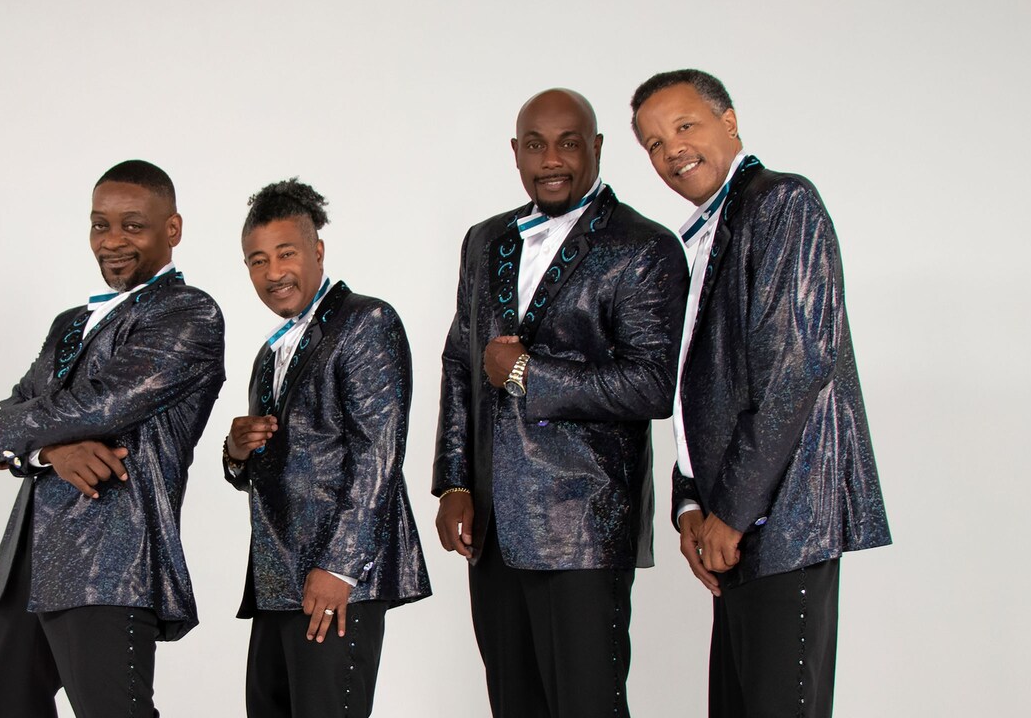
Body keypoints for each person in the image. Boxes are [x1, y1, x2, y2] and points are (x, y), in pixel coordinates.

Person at [630, 69, 892, 717]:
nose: (671, 151)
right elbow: (698, 382)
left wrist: (734, 513)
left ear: (730, 122)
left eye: (684, 126)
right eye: (654, 144)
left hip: (784, 521)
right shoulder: (709, 231)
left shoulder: (781, 203)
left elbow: (796, 367)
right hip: (740, 528)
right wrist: (690, 503)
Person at [433, 89, 688, 718]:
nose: (552, 159)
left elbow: (652, 384)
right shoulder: (484, 240)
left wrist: (526, 371)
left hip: (585, 527)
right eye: (536, 145)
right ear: (515, 154)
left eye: (569, 143)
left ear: (596, 148)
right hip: (494, 528)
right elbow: (459, 361)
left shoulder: (645, 248)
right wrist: (454, 482)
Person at [0, 159, 226, 718]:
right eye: (99, 225)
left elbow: (103, 404)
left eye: (133, 225)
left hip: (110, 561)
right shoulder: (69, 323)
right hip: (26, 564)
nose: (112, 241)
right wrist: (47, 450)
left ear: (172, 229)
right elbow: (24, 400)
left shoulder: (190, 313)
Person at [223, 178, 431, 718]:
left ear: (318, 250)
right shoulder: (270, 355)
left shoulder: (367, 321)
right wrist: (237, 452)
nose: (273, 273)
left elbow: (379, 455)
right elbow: (261, 471)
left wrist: (339, 568)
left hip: (338, 579)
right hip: (276, 579)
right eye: (256, 260)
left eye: (286, 253)